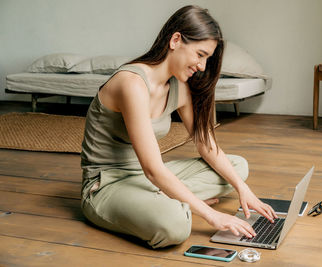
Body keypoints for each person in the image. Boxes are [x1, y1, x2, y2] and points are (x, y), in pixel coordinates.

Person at [80, 5, 277, 249]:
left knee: (238, 167)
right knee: (175, 225)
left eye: (207, 59)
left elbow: (206, 145)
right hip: (107, 186)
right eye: (200, 54)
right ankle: (172, 204)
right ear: (175, 40)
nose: (203, 66)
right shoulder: (131, 84)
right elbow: (153, 169)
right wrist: (209, 213)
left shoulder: (179, 87)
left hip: (145, 180)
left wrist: (244, 190)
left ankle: (168, 199)